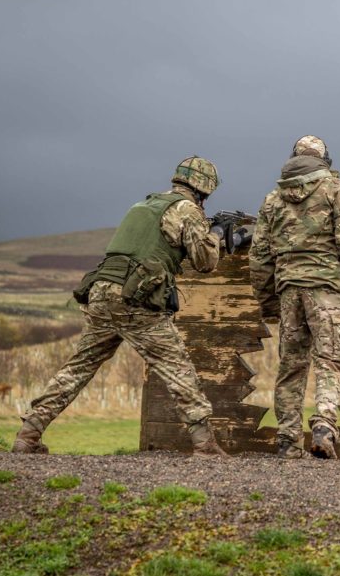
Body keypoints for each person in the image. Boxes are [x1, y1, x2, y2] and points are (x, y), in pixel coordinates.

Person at [13, 157, 228, 457]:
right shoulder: (187, 210)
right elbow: (205, 262)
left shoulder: (142, 206)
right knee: (176, 367)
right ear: (205, 190)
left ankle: (28, 434)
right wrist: (216, 235)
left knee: (79, 367)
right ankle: (205, 445)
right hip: (136, 300)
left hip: (100, 293)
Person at [249, 135, 340, 459]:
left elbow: (260, 256)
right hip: (326, 289)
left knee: (291, 366)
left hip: (289, 290)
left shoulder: (272, 200)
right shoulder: (337, 190)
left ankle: (288, 440)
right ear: (325, 160)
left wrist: (268, 302)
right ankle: (323, 426)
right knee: (330, 358)